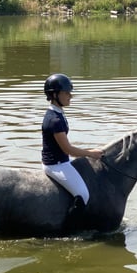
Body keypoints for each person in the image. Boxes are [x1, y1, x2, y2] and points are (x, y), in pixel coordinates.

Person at [41, 73, 103, 228]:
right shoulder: (54, 120)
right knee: (83, 194)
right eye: (67, 93)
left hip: (62, 160)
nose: (70, 96)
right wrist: (91, 153)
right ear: (55, 95)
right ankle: (68, 230)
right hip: (56, 165)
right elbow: (67, 148)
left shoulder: (58, 113)